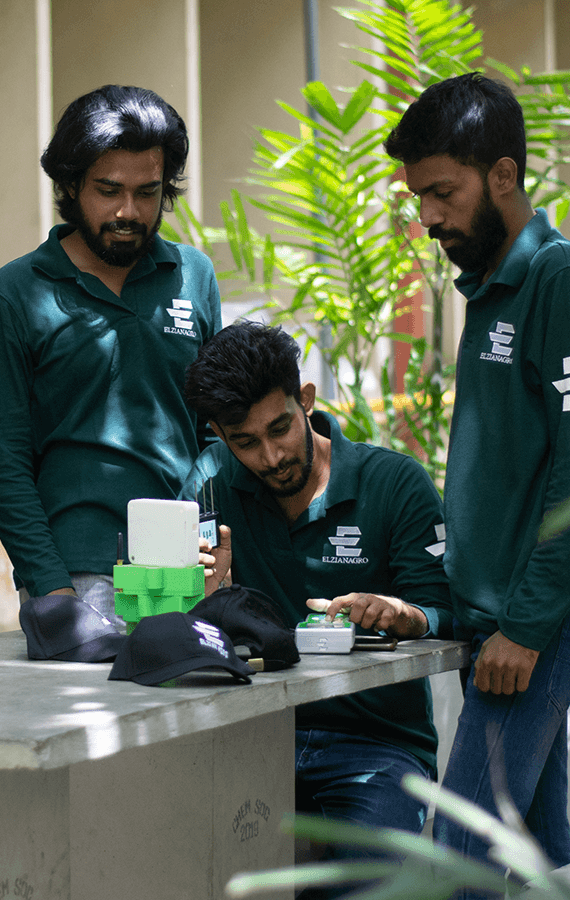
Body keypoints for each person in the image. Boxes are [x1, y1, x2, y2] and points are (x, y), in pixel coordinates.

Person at [383, 72, 570, 891]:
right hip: (495, 622)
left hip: (537, 617)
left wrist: (524, 626)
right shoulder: (487, 288)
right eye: (419, 196)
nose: (428, 216)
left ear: (504, 175)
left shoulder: (561, 277)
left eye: (443, 192)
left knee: (459, 859)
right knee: (538, 855)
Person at [178, 321, 452, 899]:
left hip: (378, 744)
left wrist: (403, 614)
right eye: (245, 442)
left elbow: (446, 611)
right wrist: (200, 596)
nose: (271, 456)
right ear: (219, 435)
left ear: (305, 400)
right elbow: (175, 631)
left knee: (373, 884)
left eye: (279, 428)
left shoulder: (394, 483)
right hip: (251, 733)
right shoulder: (210, 483)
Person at [0, 84, 222, 631]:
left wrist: (210, 546)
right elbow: (7, 462)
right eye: (108, 190)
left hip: (187, 566)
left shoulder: (194, 276)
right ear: (70, 185)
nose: (127, 211)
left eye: (147, 192)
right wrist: (51, 587)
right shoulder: (16, 292)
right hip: (79, 573)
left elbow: (215, 433)